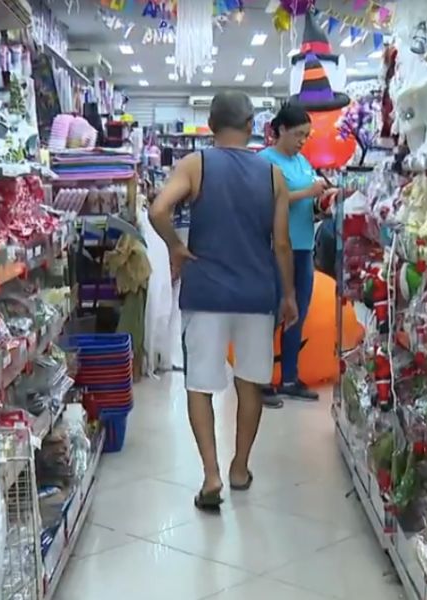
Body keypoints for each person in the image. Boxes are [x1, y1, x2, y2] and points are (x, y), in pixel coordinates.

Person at [148, 91, 299, 511]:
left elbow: (159, 209)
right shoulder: (273, 175)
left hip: (206, 292)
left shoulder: (196, 164)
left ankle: (210, 474)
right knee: (250, 383)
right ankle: (239, 468)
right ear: (252, 124)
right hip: (256, 294)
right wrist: (288, 295)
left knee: (200, 383)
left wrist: (176, 248)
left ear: (212, 125)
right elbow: (283, 244)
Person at [258, 103, 336, 402]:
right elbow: (267, 201)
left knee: (297, 314)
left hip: (304, 247)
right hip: (276, 248)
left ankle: (290, 377)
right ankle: (262, 380)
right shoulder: (265, 161)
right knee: (271, 315)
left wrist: (323, 201)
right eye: (298, 134)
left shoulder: (303, 162)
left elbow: (309, 202)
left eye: (307, 135)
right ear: (279, 131)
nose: (303, 141)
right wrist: (308, 193)